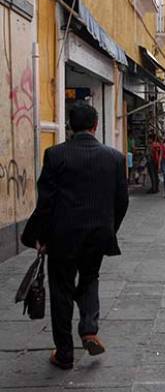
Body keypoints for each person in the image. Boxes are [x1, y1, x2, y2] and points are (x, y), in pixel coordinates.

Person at [21, 101, 129, 370]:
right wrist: (109, 229)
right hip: (98, 234)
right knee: (90, 278)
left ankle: (64, 353)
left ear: (70, 126)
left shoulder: (55, 155)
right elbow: (122, 201)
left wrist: (40, 236)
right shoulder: (114, 157)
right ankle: (89, 328)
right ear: (95, 125)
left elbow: (46, 202)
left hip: (62, 236)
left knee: (61, 290)